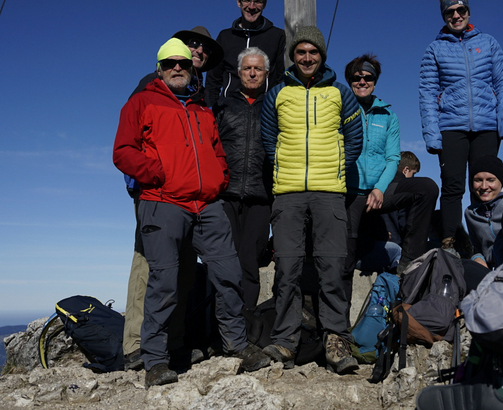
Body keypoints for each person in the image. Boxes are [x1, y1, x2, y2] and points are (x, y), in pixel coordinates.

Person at [113, 38, 270, 387]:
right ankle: (154, 361)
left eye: (182, 63)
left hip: (207, 204)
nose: (178, 68)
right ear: (159, 69)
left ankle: (237, 344)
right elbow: (123, 151)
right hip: (163, 202)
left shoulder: (201, 109)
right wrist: (157, 175)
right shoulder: (142, 102)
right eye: (170, 63)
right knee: (164, 282)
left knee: (228, 274)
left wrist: (218, 180)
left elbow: (216, 152)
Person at [259, 26, 363, 374]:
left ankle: (336, 342)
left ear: (322, 56)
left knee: (331, 269)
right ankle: (286, 341)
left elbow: (354, 138)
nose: (306, 58)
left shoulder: (339, 93)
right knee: (287, 269)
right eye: (301, 52)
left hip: (329, 193)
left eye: (313, 52)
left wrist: (334, 168)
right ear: (293, 56)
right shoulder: (278, 94)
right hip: (287, 193)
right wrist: (285, 167)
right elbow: (268, 139)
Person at [120, 26, 223, 371]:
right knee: (150, 264)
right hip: (152, 193)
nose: (197, 51)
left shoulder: (198, 95)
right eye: (191, 45)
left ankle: (172, 342)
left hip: (188, 197)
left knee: (182, 269)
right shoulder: (153, 85)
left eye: (203, 50)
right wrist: (151, 177)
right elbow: (131, 142)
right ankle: (137, 345)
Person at [419, 0, 503, 252]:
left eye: (460, 10)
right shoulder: (435, 49)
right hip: (451, 126)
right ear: (444, 16)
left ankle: (483, 242)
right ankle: (449, 241)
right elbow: (427, 93)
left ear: (468, 12)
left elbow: (502, 83)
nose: (456, 15)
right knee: (452, 185)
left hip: (487, 126)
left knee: (483, 184)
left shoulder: (488, 42)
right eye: (450, 12)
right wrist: (432, 134)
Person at [342, 56, 439, 310]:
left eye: (368, 77)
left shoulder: (388, 115)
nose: (362, 81)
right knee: (346, 256)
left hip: (381, 188)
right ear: (349, 80)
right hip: (349, 192)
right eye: (357, 77)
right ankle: (338, 326)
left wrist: (379, 188)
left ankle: (408, 262)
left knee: (426, 187)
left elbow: (393, 157)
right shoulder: (338, 107)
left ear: (375, 81)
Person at [213, 47, 274, 313]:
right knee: (224, 261)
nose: (252, 73)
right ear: (238, 73)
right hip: (225, 195)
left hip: (261, 197)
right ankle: (219, 323)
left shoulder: (275, 106)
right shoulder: (223, 105)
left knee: (250, 261)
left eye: (257, 69)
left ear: (266, 74)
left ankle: (245, 323)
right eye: (247, 68)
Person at [204, 0, 286, 106]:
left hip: (265, 111)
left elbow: (281, 78)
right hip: (229, 112)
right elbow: (213, 81)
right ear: (239, 2)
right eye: (247, 0)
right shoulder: (225, 37)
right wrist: (213, 110)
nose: (252, 6)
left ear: (264, 4)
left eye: (257, 1)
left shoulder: (277, 36)